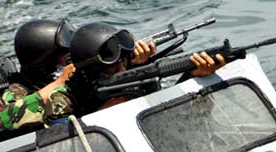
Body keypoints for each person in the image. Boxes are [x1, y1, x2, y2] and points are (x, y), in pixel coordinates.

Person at [44, 22, 226, 121]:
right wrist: (104, 114)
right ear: (93, 71)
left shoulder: (136, 80)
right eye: (114, 67)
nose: (122, 69)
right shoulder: (64, 101)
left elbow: (171, 119)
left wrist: (192, 77)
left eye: (124, 61)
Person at [12, 18, 76, 90]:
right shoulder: (19, 93)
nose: (66, 62)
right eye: (62, 58)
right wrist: (60, 81)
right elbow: (25, 101)